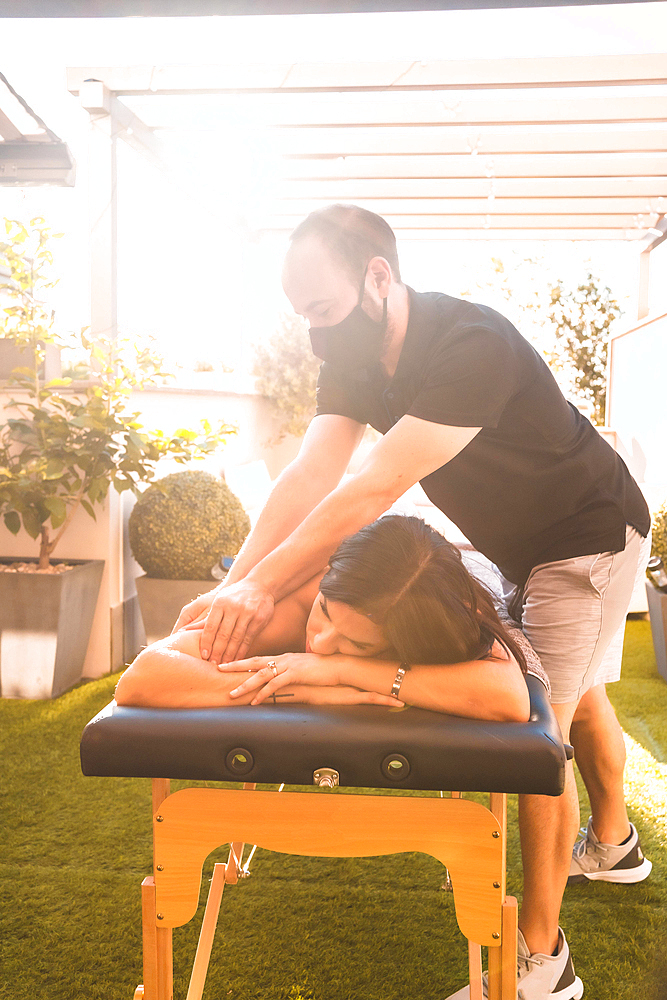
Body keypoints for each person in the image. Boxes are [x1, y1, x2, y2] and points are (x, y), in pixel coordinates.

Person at [173, 205, 652, 1000]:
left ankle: (541, 964)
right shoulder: (353, 356)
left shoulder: (471, 344)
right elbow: (306, 475)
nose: (316, 334)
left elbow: (373, 486)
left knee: (540, 734)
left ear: (377, 275)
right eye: (302, 318)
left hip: (586, 538)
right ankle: (613, 845)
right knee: (585, 694)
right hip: (523, 545)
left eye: (322, 311)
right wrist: (234, 586)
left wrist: (262, 585)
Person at [116, 514, 538, 720]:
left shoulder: (442, 614)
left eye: (358, 643)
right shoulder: (297, 603)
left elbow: (509, 699)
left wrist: (340, 670)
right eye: (325, 613)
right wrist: (302, 688)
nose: (318, 643)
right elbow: (145, 676)